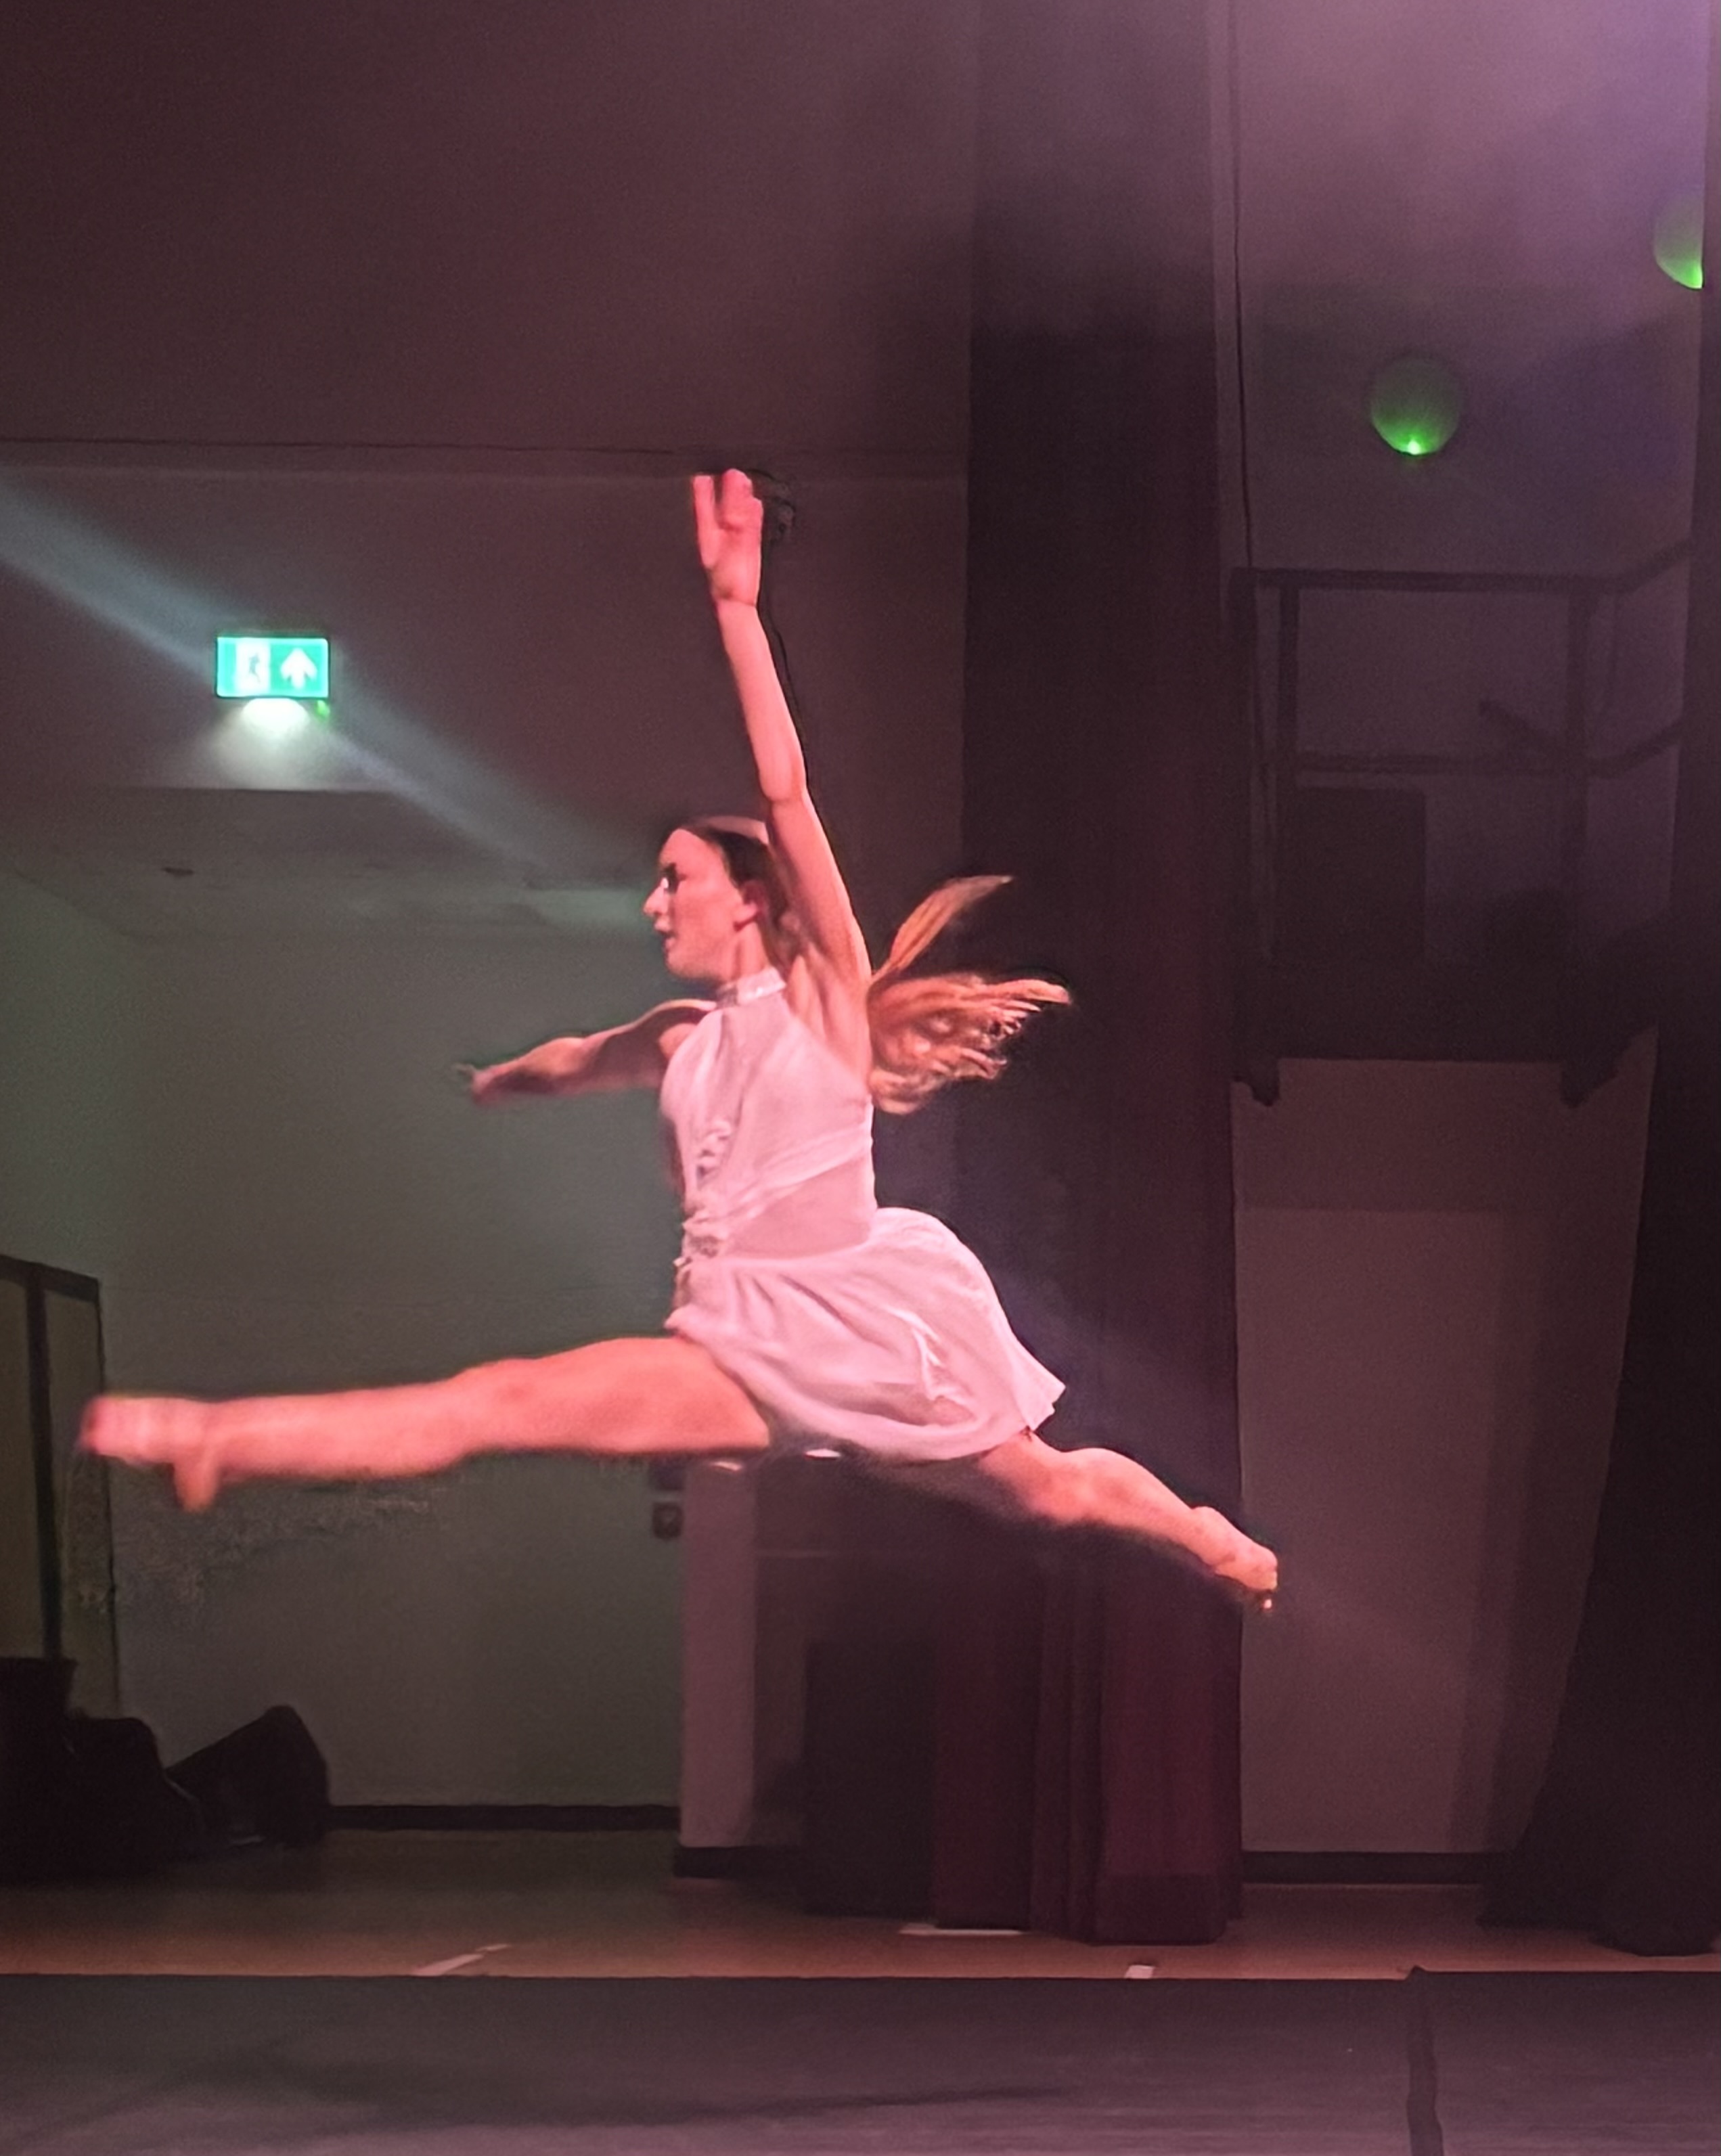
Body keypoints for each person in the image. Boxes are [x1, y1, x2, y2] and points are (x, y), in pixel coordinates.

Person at [83, 471, 1276, 1607]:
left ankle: (1200, 1532)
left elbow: (790, 791)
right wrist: (503, 1081)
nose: (655, 905)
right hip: (735, 1337)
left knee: (1049, 1495)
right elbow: (579, 1056)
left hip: (849, 1327)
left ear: (749, 897)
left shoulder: (825, 994)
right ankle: (217, 1437)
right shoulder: (680, 1035)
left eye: (674, 881)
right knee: (493, 1402)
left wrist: (736, 609)